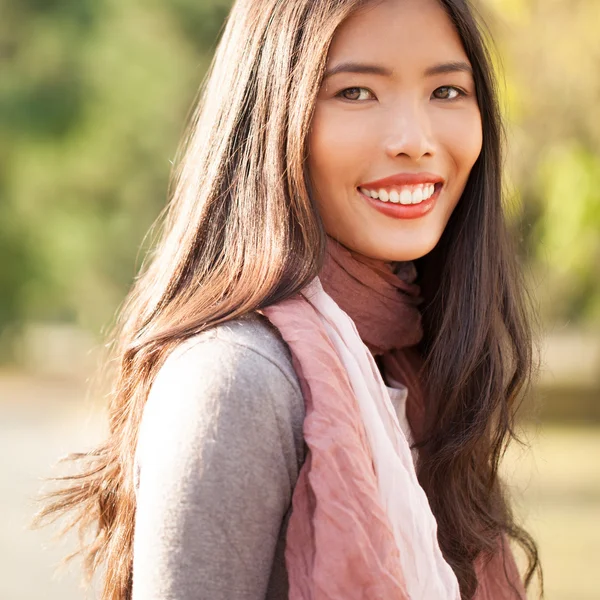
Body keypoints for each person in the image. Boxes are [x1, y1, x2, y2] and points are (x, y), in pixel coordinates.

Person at [37, 0, 543, 598]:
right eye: (355, 92)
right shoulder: (237, 379)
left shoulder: (414, 364)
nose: (415, 140)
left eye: (447, 92)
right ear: (269, 118)